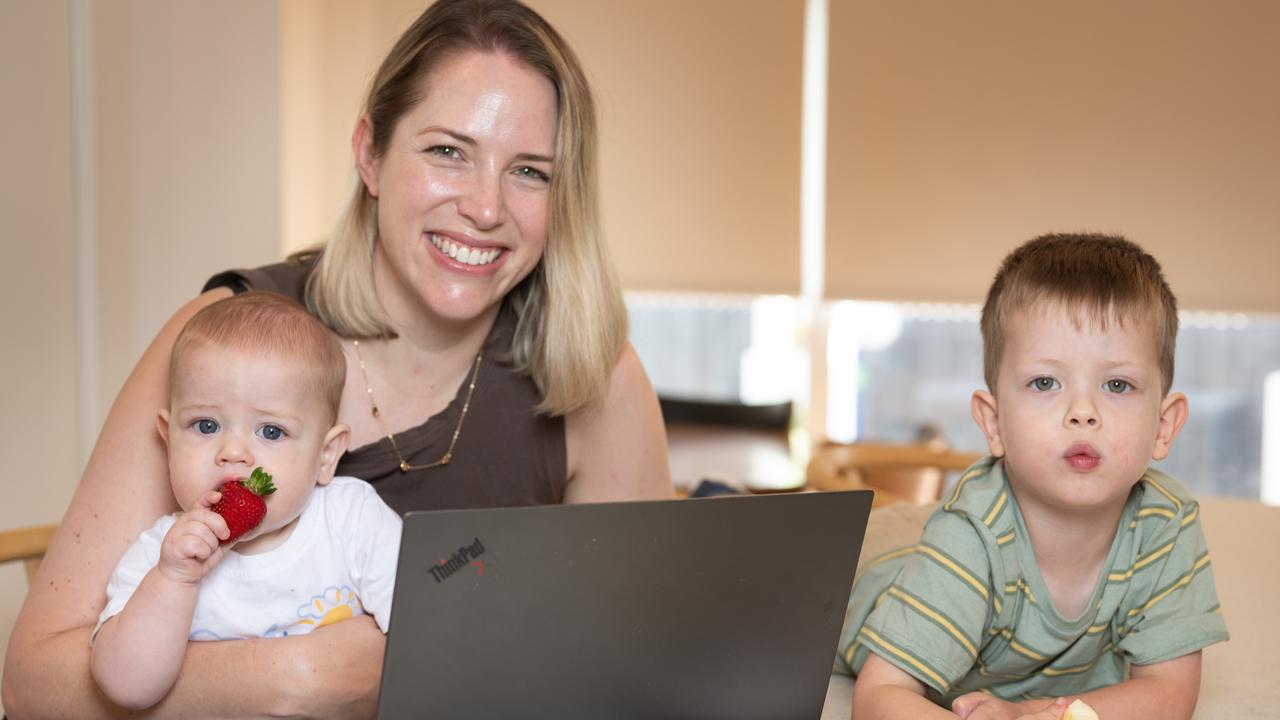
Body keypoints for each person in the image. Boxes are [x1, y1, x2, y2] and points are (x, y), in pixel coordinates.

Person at [3, 0, 670, 716]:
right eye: (448, 151)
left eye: (531, 171)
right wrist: (294, 677)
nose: (485, 207)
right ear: (370, 154)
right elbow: (32, 685)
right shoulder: (224, 341)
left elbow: (642, 664)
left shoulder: (595, 375)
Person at [836, 234, 1228, 720]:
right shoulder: (971, 536)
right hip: (876, 586)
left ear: (1163, 426)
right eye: (1045, 382)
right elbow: (879, 698)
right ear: (994, 423)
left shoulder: (1166, 525)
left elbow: (1168, 693)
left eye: (1117, 384)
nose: (1083, 412)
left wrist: (1041, 713)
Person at [90, 291, 402, 710]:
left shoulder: (352, 519)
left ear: (325, 456)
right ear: (168, 440)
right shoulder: (162, 554)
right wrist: (175, 580)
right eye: (205, 425)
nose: (233, 452)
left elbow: (425, 635)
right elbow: (126, 688)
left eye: (270, 432)